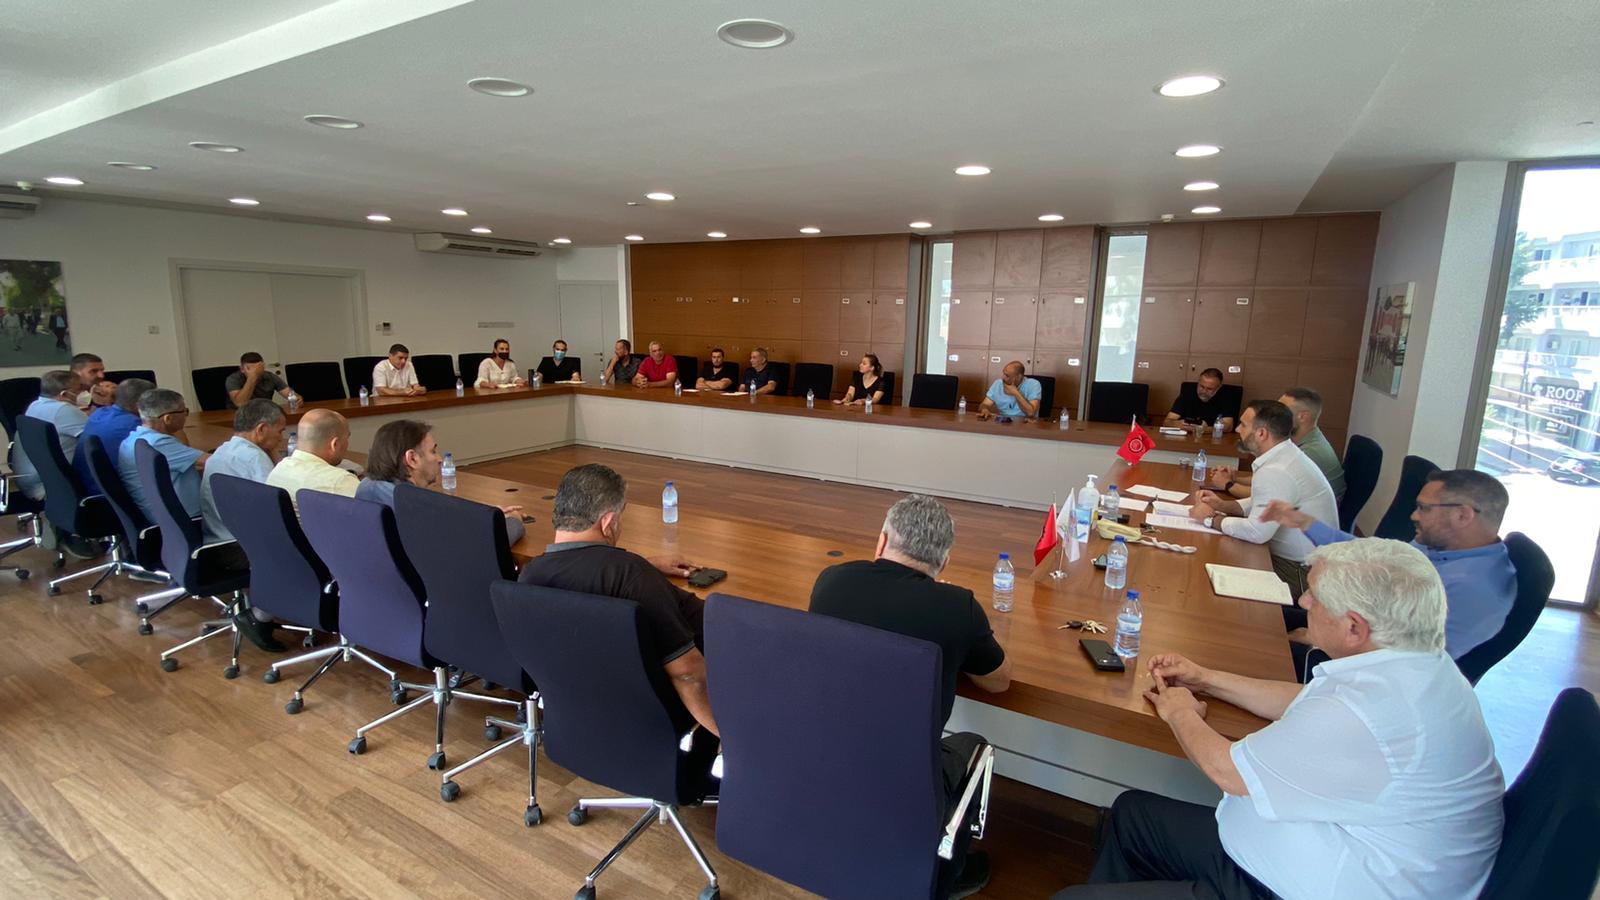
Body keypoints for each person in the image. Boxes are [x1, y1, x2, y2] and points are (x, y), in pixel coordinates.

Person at [1057, 539, 1504, 900]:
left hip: (1293, 888)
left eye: (1316, 597)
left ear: (1354, 628)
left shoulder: (1369, 712)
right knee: (1134, 816)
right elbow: (1306, 699)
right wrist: (1206, 678)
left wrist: (1180, 712)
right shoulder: (1419, 667)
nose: (1303, 599)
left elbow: (1227, 771)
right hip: (1297, 853)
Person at [809, 494, 1010, 898]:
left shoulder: (830, 581)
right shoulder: (958, 608)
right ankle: (948, 874)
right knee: (972, 745)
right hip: (906, 784)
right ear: (944, 562)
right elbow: (998, 681)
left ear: (882, 541)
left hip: (821, 763)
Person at [515, 464, 716, 736]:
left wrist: (644, 565)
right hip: (653, 714)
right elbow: (688, 674)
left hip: (582, 710)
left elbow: (583, 571)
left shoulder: (530, 576)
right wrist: (732, 738)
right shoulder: (631, 576)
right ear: (608, 523)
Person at [1263, 469, 1517, 663]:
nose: (1414, 516)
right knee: (1264, 617)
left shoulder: (1476, 589)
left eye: (1424, 509)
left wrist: (1317, 639)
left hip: (1371, 669)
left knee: (1260, 652)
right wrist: (1305, 522)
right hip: (1356, 623)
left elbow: (1413, 659)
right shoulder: (1440, 547)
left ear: (1463, 515)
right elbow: (1366, 554)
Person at [1189, 400, 1337, 597]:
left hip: (1302, 574)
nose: (1238, 430)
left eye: (1243, 425)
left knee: (1204, 573)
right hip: (1303, 563)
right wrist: (1224, 505)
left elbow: (1257, 532)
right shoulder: (1285, 455)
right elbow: (1263, 502)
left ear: (1261, 433)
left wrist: (1210, 519)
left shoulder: (1277, 470)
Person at [356, 419, 526, 544]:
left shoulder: (366, 488)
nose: (439, 459)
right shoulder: (414, 505)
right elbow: (481, 547)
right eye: (433, 451)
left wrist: (488, 516)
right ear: (412, 459)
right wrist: (514, 522)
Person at [1204, 387, 1348, 503]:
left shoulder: (1310, 452)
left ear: (1302, 416)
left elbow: (1267, 494)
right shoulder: (1297, 442)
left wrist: (1228, 485)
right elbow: (1266, 481)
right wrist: (1234, 477)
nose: (1276, 413)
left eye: (1283, 408)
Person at [11, 371, 100, 556]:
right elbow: (100, 438)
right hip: (60, 483)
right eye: (79, 389)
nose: (84, 392)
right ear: (64, 394)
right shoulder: (64, 410)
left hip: (39, 477)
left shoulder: (36, 405)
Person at [200, 399, 287, 544]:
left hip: (216, 538)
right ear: (261, 429)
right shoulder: (254, 458)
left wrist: (271, 449)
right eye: (280, 431)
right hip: (241, 545)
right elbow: (278, 507)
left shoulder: (221, 451)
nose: (281, 438)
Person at [118, 388, 208, 520]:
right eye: (185, 411)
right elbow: (213, 462)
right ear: (168, 418)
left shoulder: (134, 438)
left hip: (161, 516)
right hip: (186, 520)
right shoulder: (158, 443)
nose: (186, 416)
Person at [266, 408, 359, 512]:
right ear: (335, 444)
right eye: (347, 438)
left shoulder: (277, 471)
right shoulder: (339, 481)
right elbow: (371, 516)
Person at [73, 377, 153, 491]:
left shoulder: (99, 413)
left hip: (87, 485)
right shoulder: (135, 426)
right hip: (111, 492)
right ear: (138, 405)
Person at [1164, 367, 1236, 431]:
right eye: (1201, 386)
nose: (1204, 391)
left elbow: (1228, 426)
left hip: (1211, 438)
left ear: (1218, 388)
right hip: (1186, 436)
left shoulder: (1225, 396)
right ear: (1198, 382)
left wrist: (1205, 429)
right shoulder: (1187, 392)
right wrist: (1177, 424)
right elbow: (1167, 422)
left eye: (1209, 389)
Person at [224, 351, 293, 409]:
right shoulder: (233, 379)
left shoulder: (270, 377)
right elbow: (240, 403)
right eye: (250, 369)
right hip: (238, 413)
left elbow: (290, 395)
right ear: (242, 369)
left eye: (258, 369)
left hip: (263, 411)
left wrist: (295, 399)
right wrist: (251, 378)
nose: (255, 372)